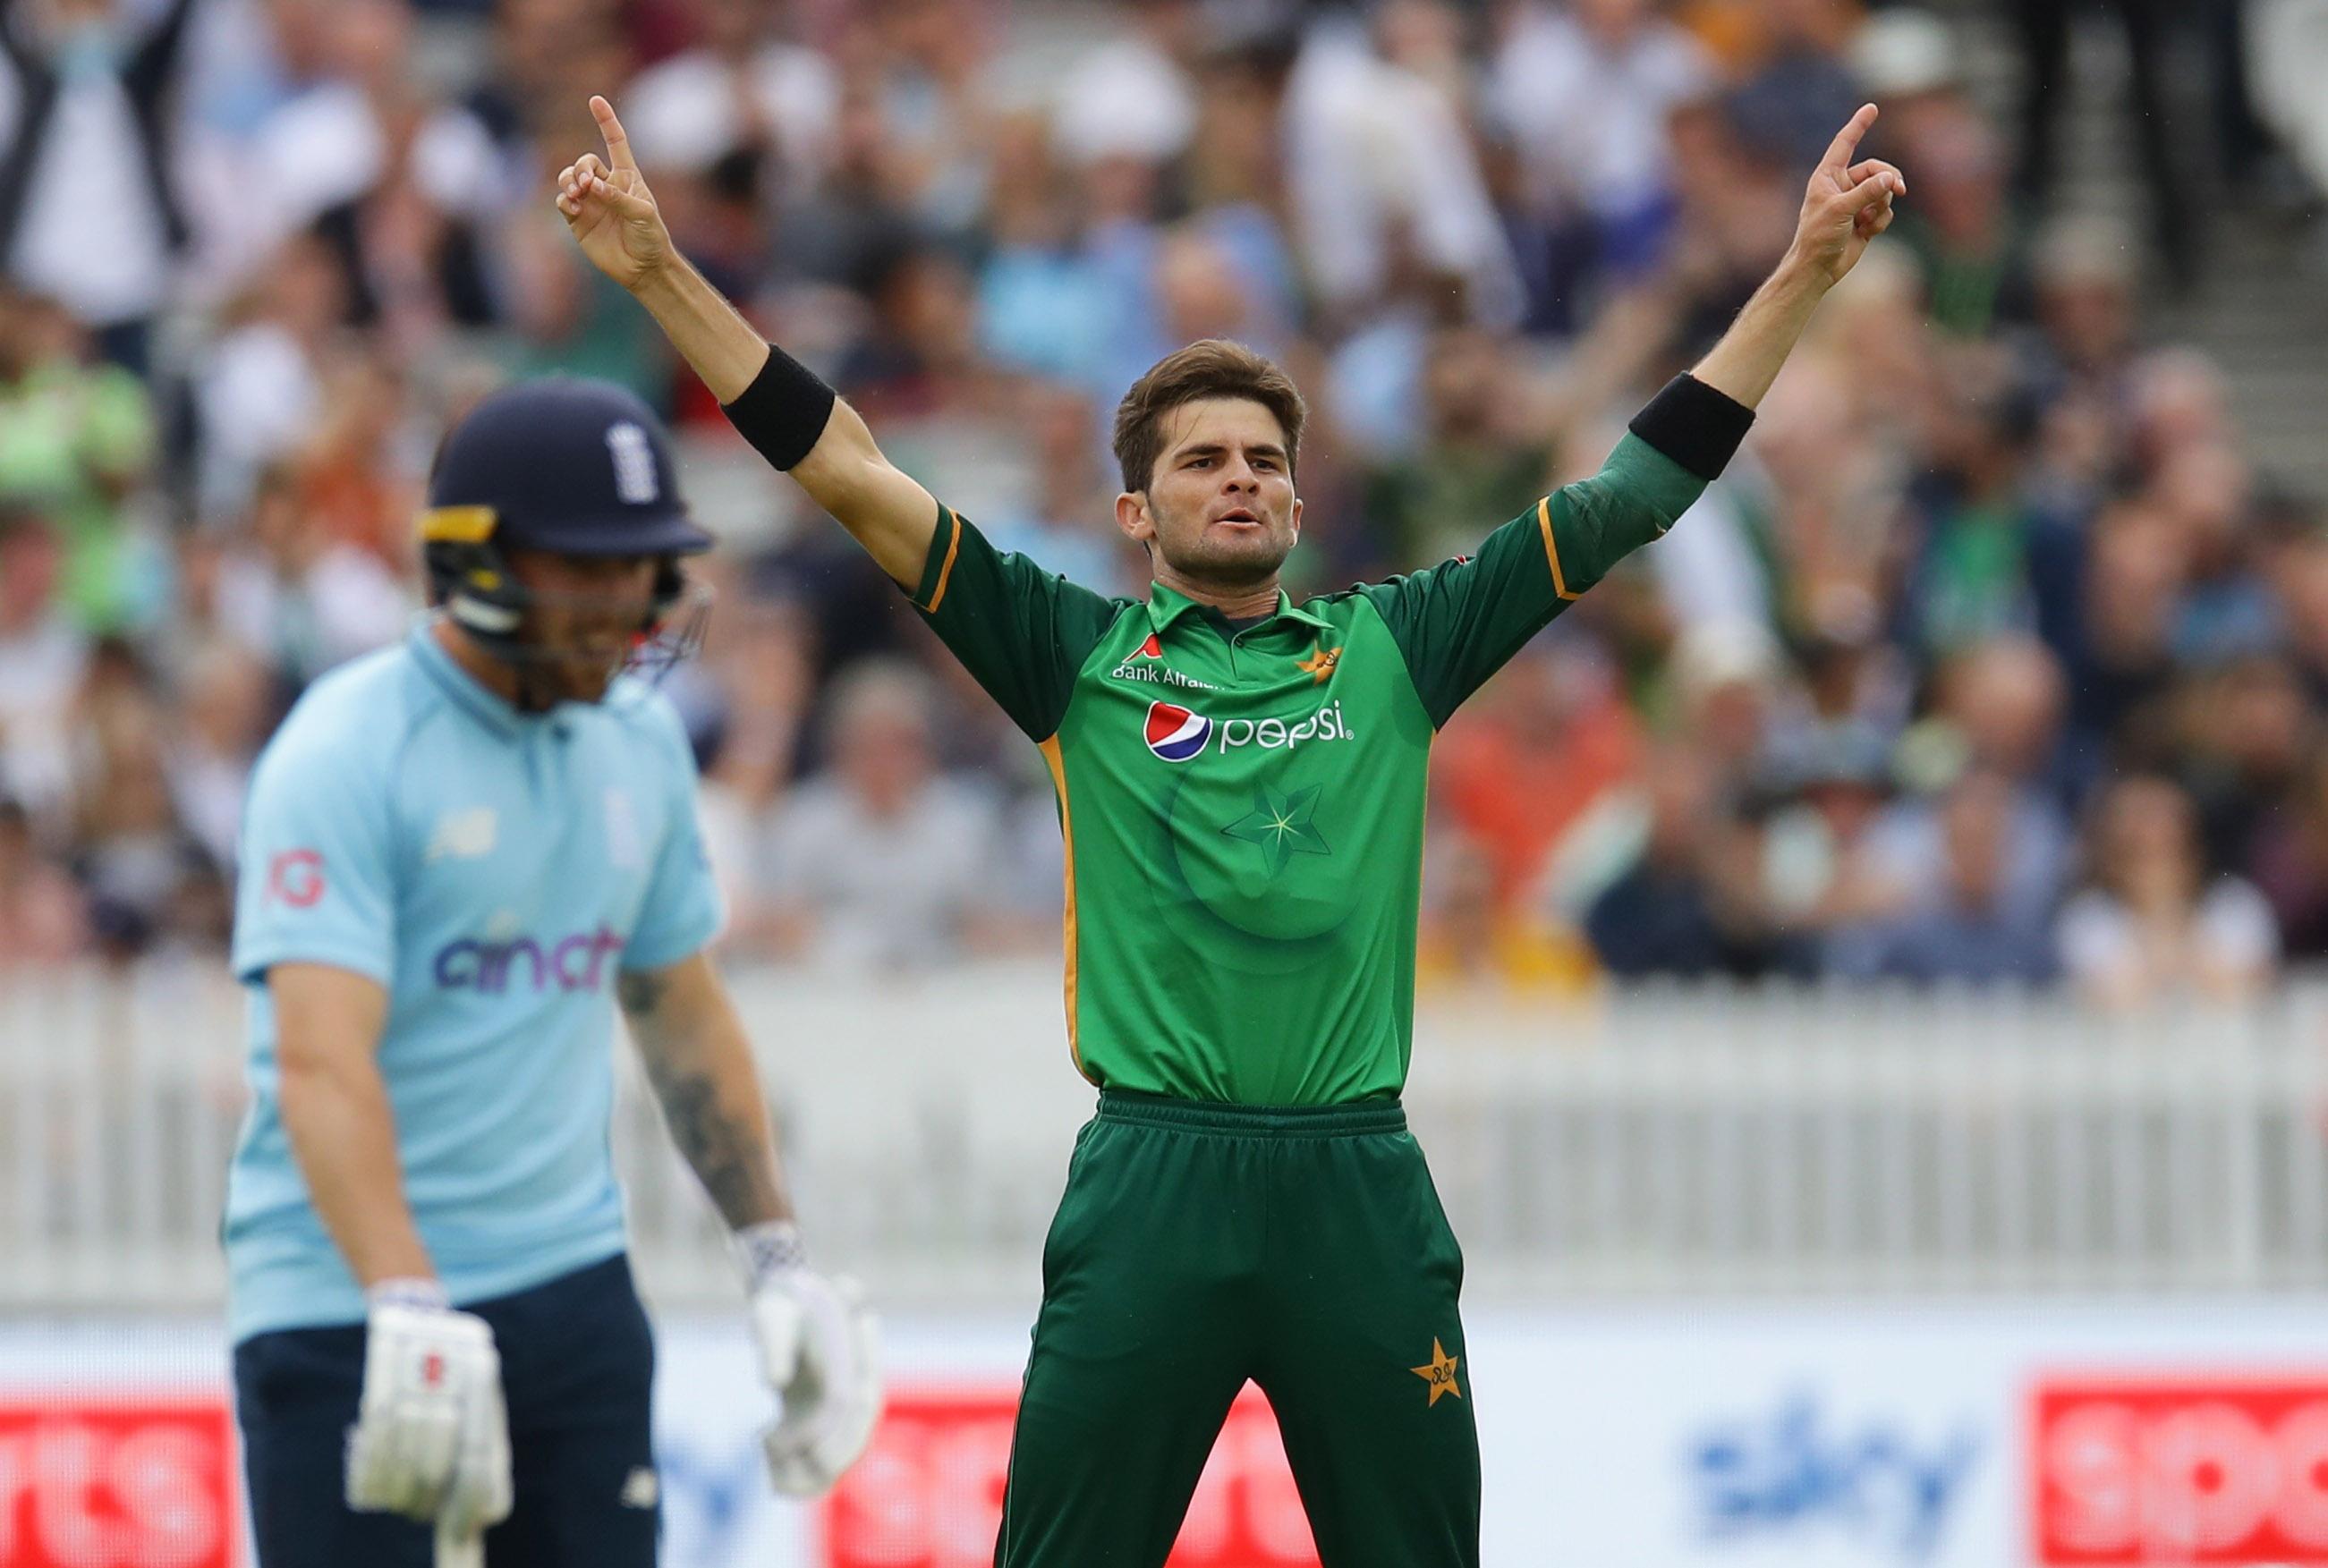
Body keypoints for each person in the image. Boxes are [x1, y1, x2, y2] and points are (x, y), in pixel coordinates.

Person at [557, 91, 1902, 1566]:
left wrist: (1797, 277)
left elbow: (1638, 491)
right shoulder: (1071, 654)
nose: (1240, 479)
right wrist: (655, 272)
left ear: (1302, 497)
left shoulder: (1397, 644)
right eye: (1201, 461)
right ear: (1136, 513)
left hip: (1356, 1189)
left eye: (1262, 459)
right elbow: (843, 468)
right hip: (1155, 1187)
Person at [223, 377, 880, 1568]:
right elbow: (322, 1061)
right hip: (341, 1302)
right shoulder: (345, 748)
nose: (624, 602)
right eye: (586, 564)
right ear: (473, 561)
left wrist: (775, 1256)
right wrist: (404, 1297)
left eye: (640, 565)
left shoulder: (639, 742)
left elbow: (680, 1012)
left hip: (567, 1288)